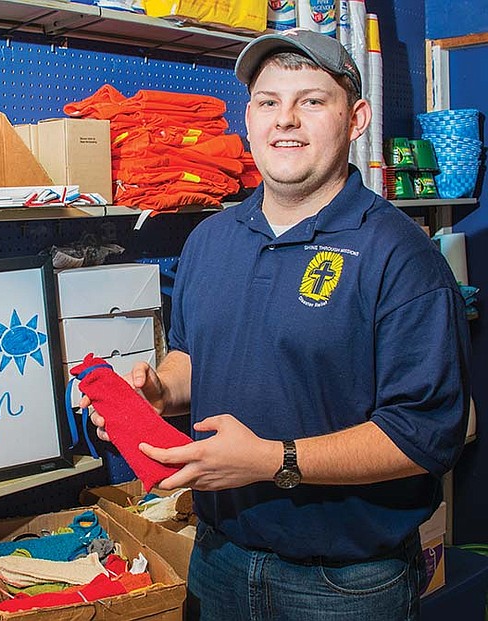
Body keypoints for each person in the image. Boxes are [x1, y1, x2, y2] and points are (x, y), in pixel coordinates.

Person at [86, 28, 471, 621]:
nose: (285, 119)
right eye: (269, 101)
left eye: (312, 101)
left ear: (356, 118)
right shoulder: (210, 239)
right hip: (217, 561)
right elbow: (193, 355)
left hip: (344, 586)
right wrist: (159, 393)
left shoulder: (401, 257)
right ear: (250, 117)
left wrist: (274, 459)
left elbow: (425, 437)